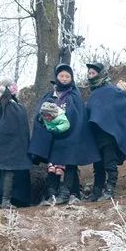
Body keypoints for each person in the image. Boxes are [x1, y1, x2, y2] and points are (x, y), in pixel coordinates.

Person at [29, 64, 100, 205]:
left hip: (70, 137)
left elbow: (78, 116)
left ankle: (68, 193)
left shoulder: (74, 95)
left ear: (71, 78)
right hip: (53, 138)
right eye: (61, 75)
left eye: (67, 76)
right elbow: (39, 114)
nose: (64, 78)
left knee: (70, 165)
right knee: (52, 167)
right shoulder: (49, 95)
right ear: (56, 77)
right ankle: (51, 195)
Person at [0, 80, 31, 209]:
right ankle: (5, 201)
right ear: (14, 91)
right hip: (12, 149)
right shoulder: (18, 109)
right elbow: (23, 130)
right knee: (9, 172)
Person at [86, 62, 126, 201]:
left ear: (100, 74)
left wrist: (125, 90)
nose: (91, 76)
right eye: (89, 73)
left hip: (108, 135)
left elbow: (124, 98)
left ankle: (110, 190)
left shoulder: (111, 89)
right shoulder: (93, 92)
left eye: (93, 73)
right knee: (97, 165)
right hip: (95, 135)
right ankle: (96, 192)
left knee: (109, 164)